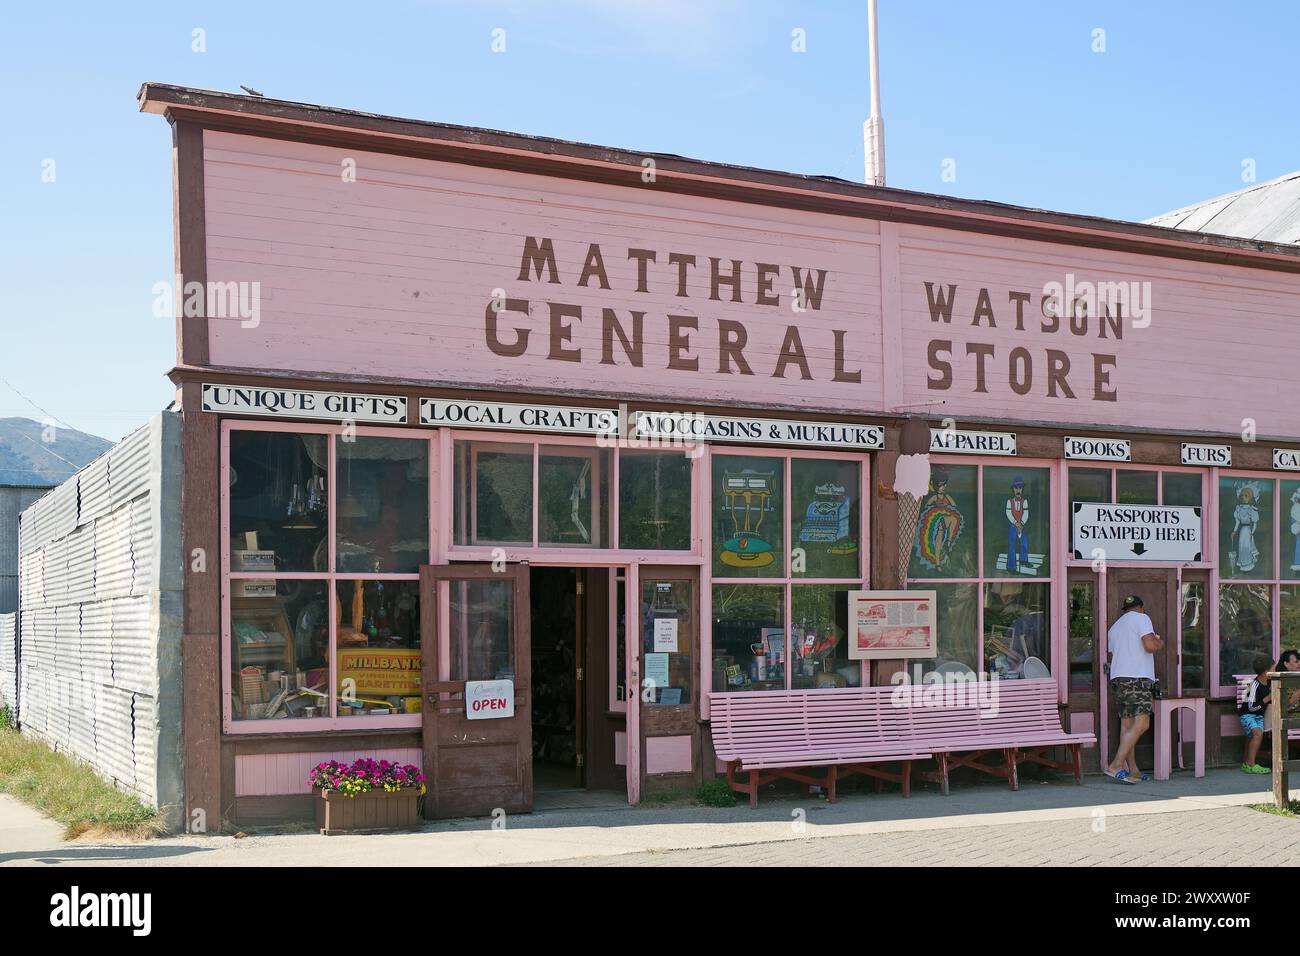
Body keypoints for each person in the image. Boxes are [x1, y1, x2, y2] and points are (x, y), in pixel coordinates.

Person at [1105, 595, 1163, 784]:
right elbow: (1149, 646)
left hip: (1118, 678)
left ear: (1125, 610)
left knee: (1127, 726)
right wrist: (1159, 642)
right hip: (1137, 678)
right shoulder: (1142, 619)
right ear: (1141, 607)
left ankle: (1134, 770)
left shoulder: (1114, 628)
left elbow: (1116, 653)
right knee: (1142, 724)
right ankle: (1116, 764)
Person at [1238, 655, 1275, 774]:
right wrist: (1267, 698)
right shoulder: (1252, 685)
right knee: (1257, 733)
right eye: (1273, 669)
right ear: (1266, 672)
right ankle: (1251, 764)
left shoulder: (1269, 683)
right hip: (1247, 715)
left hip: (1259, 716)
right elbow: (1251, 707)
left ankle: (1247, 764)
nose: (1275, 671)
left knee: (1256, 734)